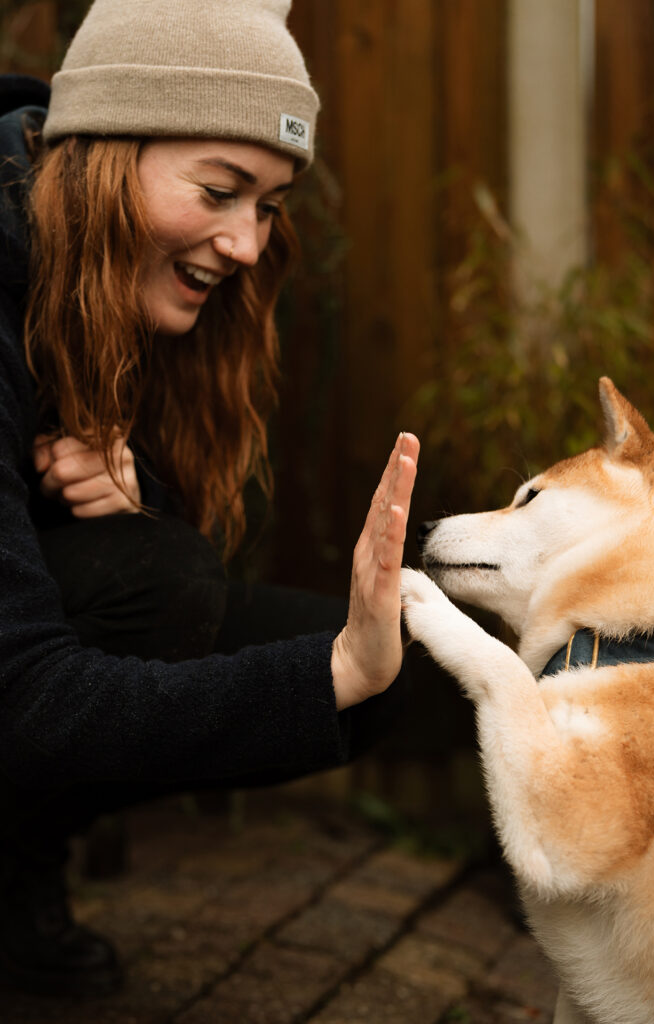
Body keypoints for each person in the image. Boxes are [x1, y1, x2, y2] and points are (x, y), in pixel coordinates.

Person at [0, 0, 419, 998]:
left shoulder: (116, 279)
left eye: (268, 205)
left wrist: (120, 476)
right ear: (104, 155)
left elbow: (165, 582)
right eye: (222, 189)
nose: (244, 244)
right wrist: (325, 677)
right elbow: (19, 695)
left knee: (387, 664)